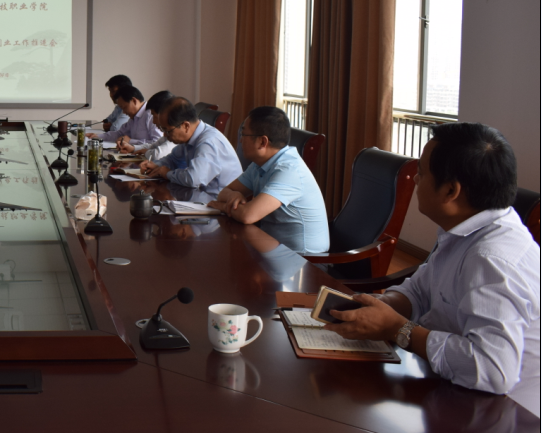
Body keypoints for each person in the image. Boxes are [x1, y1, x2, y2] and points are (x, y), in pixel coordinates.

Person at [325, 123, 539, 417]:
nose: (415, 179)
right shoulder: (466, 229)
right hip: (451, 389)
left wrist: (398, 329)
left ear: (451, 190)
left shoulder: (492, 259)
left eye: (422, 172)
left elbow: (493, 370)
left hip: (502, 417)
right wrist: (382, 305)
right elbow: (421, 288)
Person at [208, 106, 328, 253]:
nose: (240, 140)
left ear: (262, 142)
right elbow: (224, 193)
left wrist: (222, 206)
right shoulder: (260, 164)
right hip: (273, 248)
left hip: (303, 259)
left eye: (244, 134)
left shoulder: (289, 171)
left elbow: (247, 215)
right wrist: (235, 195)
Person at [139, 98, 241, 198]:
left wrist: (167, 173)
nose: (165, 135)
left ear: (186, 126)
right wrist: (156, 165)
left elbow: (193, 179)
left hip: (220, 201)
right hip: (201, 196)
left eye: (168, 130)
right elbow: (173, 159)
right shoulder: (190, 137)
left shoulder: (208, 142)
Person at [89, 86, 162, 145]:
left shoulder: (151, 114)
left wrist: (131, 141)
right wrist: (97, 136)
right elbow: (119, 134)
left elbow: (158, 143)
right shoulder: (134, 117)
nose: (124, 112)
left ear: (134, 101)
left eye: (124, 107)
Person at [117, 90, 175, 162]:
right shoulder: (167, 136)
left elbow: (157, 155)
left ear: (165, 114)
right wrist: (133, 148)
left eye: (154, 116)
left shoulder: (175, 136)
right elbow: (153, 146)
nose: (153, 121)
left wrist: (146, 152)